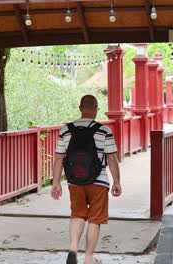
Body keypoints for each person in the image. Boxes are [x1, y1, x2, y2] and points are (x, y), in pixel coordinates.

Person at [51, 95, 122, 264]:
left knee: (77, 215)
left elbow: (59, 158)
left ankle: (73, 248)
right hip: (99, 181)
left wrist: (55, 183)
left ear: (80, 108)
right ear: (96, 108)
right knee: (95, 219)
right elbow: (112, 158)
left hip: (75, 181)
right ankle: (89, 257)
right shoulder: (104, 130)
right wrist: (117, 181)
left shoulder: (65, 130)